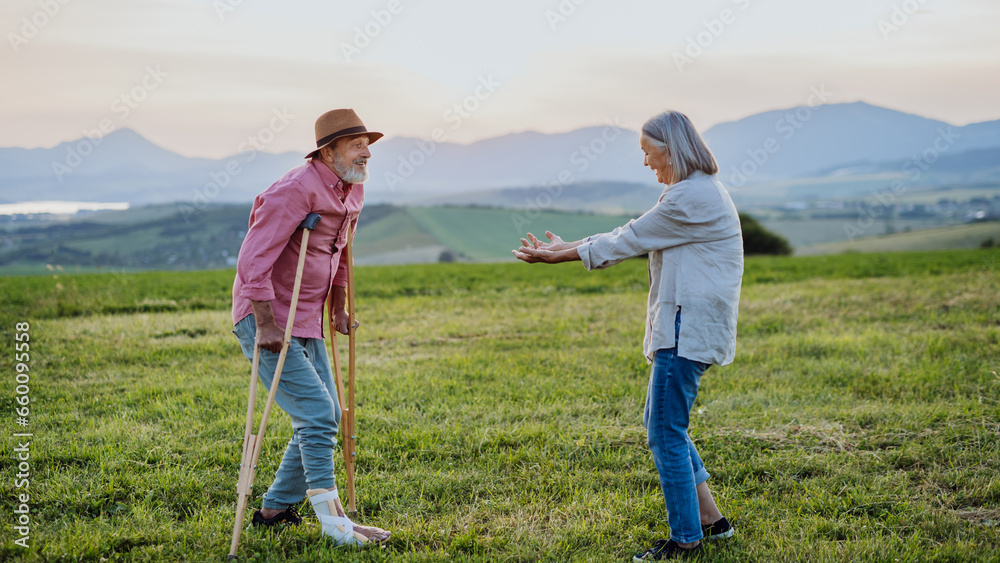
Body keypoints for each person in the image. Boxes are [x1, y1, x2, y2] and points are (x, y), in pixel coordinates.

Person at [513, 110, 742, 561]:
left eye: (647, 152)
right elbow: (631, 233)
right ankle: (713, 523)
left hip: (687, 327)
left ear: (670, 148)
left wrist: (560, 256)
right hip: (687, 324)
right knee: (663, 426)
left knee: (665, 432)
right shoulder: (691, 193)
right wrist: (566, 246)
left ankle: (687, 540)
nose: (645, 163)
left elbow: (629, 239)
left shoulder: (689, 198)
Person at [231, 108, 390, 547]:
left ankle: (276, 509)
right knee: (320, 415)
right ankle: (334, 523)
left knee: (325, 415)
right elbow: (252, 261)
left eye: (368, 145)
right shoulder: (294, 190)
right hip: (265, 318)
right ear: (328, 150)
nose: (366, 154)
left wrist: (338, 307)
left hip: (307, 317)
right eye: (356, 145)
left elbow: (340, 253)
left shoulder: (352, 191)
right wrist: (264, 323)